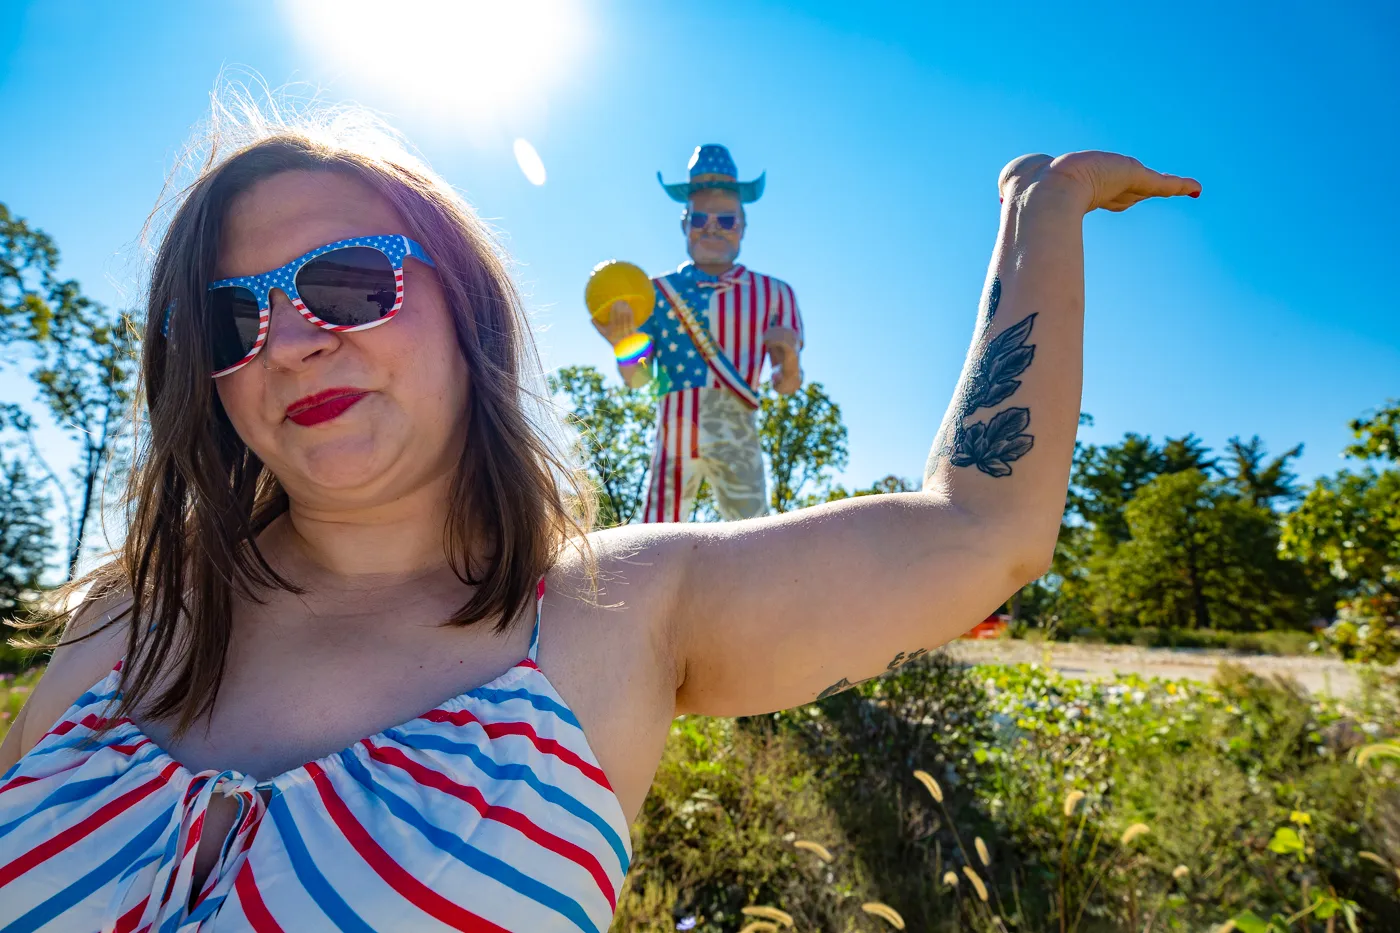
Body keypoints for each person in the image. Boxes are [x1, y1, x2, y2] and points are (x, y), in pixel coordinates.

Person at [0, 108, 1198, 932]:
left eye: (351, 282)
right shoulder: (122, 621)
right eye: (230, 321)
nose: (297, 336)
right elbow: (633, 374)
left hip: (726, 446)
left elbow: (983, 528)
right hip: (676, 434)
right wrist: (648, 342)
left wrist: (1041, 209)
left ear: (462, 307)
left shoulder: (616, 615)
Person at [592, 144, 803, 523]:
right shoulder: (653, 293)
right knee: (656, 536)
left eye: (725, 220)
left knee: (754, 536)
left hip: (739, 432)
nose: (711, 228)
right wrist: (624, 344)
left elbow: (786, 385)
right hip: (675, 430)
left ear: (743, 226)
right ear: (684, 222)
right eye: (701, 218)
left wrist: (789, 359)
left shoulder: (775, 294)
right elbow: (638, 378)